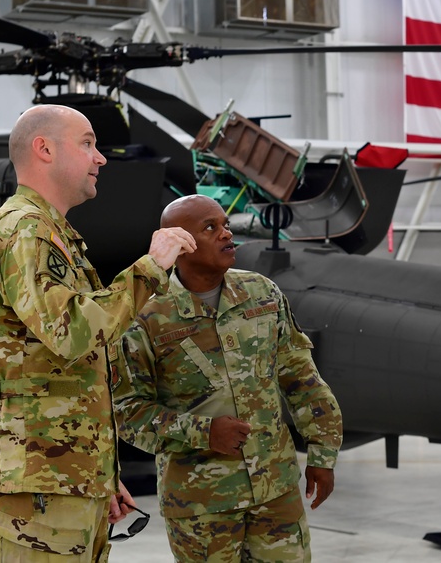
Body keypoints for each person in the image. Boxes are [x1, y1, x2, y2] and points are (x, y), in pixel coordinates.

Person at [0, 104, 197, 562]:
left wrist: (99, 474)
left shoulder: (54, 233)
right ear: (44, 149)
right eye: (88, 143)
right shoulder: (25, 232)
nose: (101, 158)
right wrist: (153, 266)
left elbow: (75, 369)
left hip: (68, 480)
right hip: (41, 485)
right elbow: (72, 333)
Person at [112, 194, 343, 562]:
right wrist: (203, 432)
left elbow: (300, 377)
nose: (226, 235)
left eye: (226, 226)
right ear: (180, 243)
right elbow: (127, 412)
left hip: (275, 490)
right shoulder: (145, 316)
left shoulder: (262, 293)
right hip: (201, 504)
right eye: (210, 228)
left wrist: (323, 452)